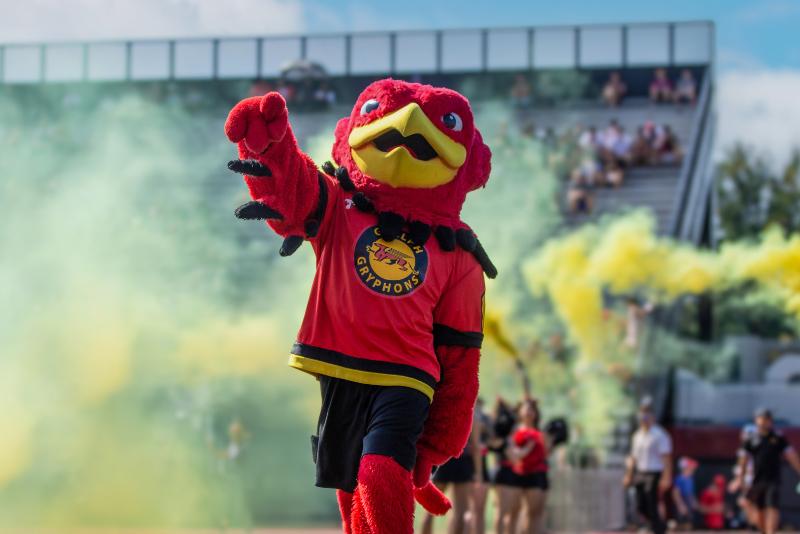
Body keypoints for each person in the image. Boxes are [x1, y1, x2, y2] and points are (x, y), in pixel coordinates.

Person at [732, 408, 800, 534]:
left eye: (767, 419)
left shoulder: (778, 438)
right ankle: (763, 531)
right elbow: (743, 460)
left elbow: (791, 456)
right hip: (756, 479)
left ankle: (771, 531)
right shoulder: (750, 439)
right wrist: (740, 478)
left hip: (773, 478)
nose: (764, 422)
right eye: (761, 419)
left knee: (772, 506)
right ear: (756, 420)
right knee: (759, 508)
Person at [623, 399, 673, 534]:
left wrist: (666, 477)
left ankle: (657, 529)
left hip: (654, 472)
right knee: (640, 505)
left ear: (652, 417)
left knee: (651, 502)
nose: (644, 419)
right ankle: (659, 526)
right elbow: (633, 457)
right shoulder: (637, 436)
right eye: (642, 416)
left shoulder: (660, 435)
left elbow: (666, 457)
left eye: (647, 416)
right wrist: (628, 475)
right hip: (640, 472)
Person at [506, 399, 550, 534]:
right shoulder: (513, 430)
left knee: (533, 514)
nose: (529, 412)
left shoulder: (540, 433)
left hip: (536, 474)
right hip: (517, 474)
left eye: (532, 410)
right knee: (513, 512)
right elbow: (511, 453)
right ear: (520, 412)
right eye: (526, 409)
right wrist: (526, 450)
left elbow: (545, 453)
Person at [672, 456, 698, 529]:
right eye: (690, 467)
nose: (693, 469)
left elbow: (691, 492)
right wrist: (680, 505)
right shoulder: (679, 479)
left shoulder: (690, 478)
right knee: (681, 522)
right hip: (682, 500)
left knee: (689, 522)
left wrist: (693, 501)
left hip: (688, 501)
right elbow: (676, 493)